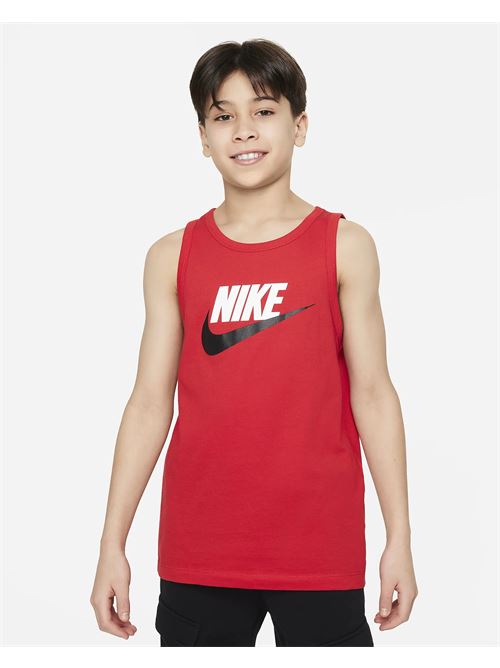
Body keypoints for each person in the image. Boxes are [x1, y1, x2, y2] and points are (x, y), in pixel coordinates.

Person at [90, 37, 418, 647]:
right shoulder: (172, 256)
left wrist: (399, 537)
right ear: (203, 136)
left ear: (299, 126)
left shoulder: (344, 246)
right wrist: (113, 543)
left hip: (319, 549)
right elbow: (148, 404)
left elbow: (373, 394)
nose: (243, 130)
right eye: (223, 116)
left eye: (263, 111)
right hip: (200, 551)